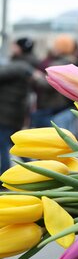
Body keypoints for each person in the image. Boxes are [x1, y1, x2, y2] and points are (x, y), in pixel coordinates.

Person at [0, 37, 39, 175]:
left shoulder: (18, 65)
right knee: (16, 145)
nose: (11, 48)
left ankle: (3, 177)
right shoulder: (27, 64)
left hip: (6, 113)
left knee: (2, 147)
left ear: (20, 48)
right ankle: (36, 171)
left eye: (14, 46)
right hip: (14, 112)